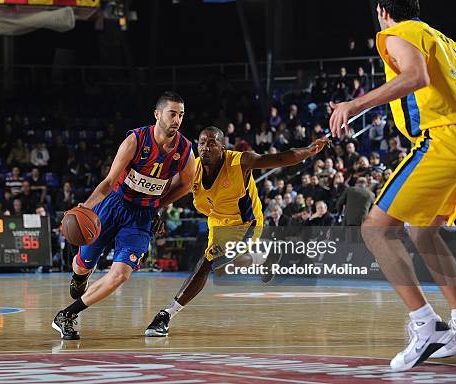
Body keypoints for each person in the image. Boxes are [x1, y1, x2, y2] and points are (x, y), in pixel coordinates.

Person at [329, 0, 456, 371]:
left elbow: (415, 77)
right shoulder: (442, 39)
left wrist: (354, 105)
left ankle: (425, 326)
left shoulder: (397, 32)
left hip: (443, 139)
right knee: (423, 232)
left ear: (381, 10)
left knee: (376, 230)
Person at [144, 127, 329, 337]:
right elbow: (169, 190)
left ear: (223, 148)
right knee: (219, 270)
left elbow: (281, 158)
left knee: (208, 262)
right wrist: (157, 210)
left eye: (212, 143)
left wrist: (309, 150)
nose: (205, 148)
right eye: (202, 143)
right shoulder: (192, 169)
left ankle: (166, 315)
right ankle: (262, 257)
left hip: (246, 224)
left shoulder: (241, 162)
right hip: (218, 222)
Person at [51, 91, 195, 340]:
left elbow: (186, 184)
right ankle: (79, 275)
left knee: (121, 273)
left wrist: (158, 205)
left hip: (142, 216)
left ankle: (68, 315)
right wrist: (86, 206)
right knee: (82, 264)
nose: (177, 120)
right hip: (115, 204)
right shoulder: (136, 140)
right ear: (158, 114)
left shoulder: (184, 149)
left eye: (181, 115)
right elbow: (108, 182)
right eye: (172, 114)